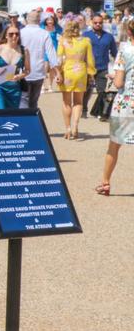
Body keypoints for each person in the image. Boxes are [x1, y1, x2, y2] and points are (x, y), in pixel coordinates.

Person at [95, 18, 134, 195]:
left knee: (114, 145)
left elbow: (119, 82)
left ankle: (105, 182)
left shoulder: (124, 51)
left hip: (126, 102)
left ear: (129, 32)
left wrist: (113, 77)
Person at [57, 20, 96, 140]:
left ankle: (68, 128)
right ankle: (75, 125)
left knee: (66, 102)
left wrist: (58, 73)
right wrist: (91, 74)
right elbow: (90, 60)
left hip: (67, 72)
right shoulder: (86, 41)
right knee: (78, 102)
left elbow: (59, 59)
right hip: (81, 72)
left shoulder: (63, 41)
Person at [82, 13, 117, 119]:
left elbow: (115, 53)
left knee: (102, 92)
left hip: (102, 68)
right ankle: (84, 110)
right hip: (87, 68)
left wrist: (118, 67)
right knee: (86, 91)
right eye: (95, 22)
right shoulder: (85, 35)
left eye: (100, 23)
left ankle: (102, 113)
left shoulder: (109, 37)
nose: (98, 24)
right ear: (92, 22)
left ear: (103, 23)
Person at [19, 10, 58, 108]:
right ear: (39, 20)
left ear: (27, 20)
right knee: (33, 102)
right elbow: (51, 54)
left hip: (23, 73)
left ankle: (24, 122)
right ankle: (32, 121)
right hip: (38, 72)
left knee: (23, 101)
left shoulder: (20, 33)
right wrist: (57, 71)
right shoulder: (44, 33)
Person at [0, 27, 30, 109]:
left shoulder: (24, 50)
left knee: (11, 115)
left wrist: (19, 76)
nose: (14, 36)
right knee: (1, 112)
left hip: (14, 89)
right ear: (6, 36)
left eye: (17, 34)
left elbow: (28, 70)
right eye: (11, 34)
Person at [42, 14, 60, 92]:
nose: (49, 21)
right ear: (46, 20)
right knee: (45, 67)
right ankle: (42, 85)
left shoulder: (56, 27)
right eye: (48, 19)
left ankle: (50, 85)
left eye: (51, 20)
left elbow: (63, 32)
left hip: (54, 48)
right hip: (45, 49)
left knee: (52, 67)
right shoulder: (42, 27)